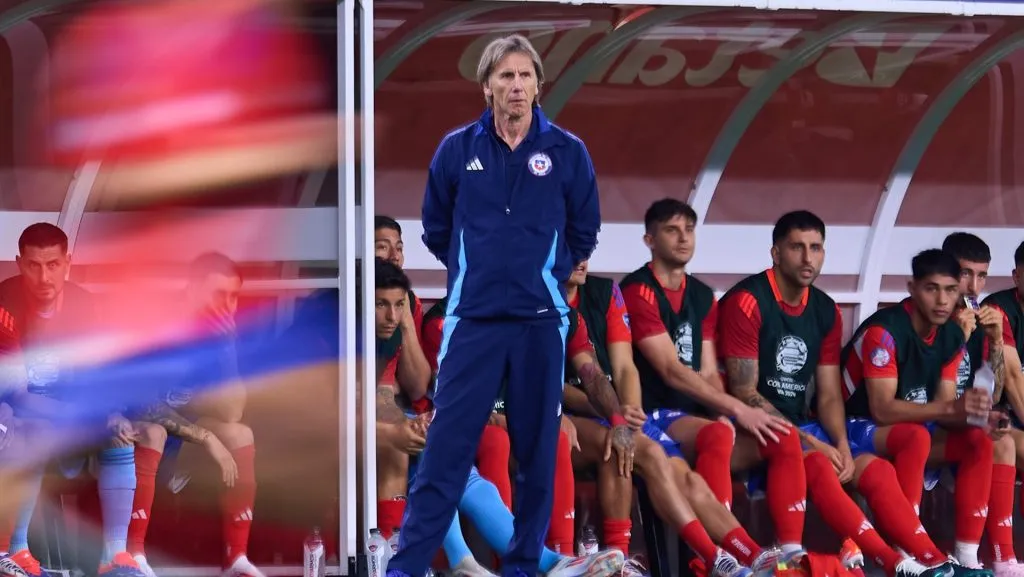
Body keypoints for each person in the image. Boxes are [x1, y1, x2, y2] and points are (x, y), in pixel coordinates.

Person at [389, 32, 602, 577]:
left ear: (539, 85)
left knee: (536, 454)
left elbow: (585, 228)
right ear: (486, 86)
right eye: (505, 76)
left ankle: (523, 567)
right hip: (473, 323)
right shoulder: (456, 149)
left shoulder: (568, 151)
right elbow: (436, 227)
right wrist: (477, 270)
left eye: (525, 75)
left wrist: (545, 274)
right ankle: (405, 568)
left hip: (540, 322)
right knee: (445, 452)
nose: (516, 86)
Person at [718, 211, 972, 577]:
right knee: (819, 462)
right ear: (776, 253)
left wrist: (839, 442)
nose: (808, 258)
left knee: (875, 470)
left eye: (816, 248)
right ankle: (892, 562)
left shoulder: (826, 309)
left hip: (803, 427)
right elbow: (744, 391)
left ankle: (932, 561)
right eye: (797, 247)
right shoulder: (750, 300)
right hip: (747, 429)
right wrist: (813, 443)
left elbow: (829, 395)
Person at [561, 259, 784, 577]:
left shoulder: (605, 292)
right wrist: (612, 413)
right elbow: (549, 383)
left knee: (687, 478)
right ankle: (709, 557)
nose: (581, 259)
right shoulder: (539, 298)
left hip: (615, 411)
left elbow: (625, 368)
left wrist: (629, 412)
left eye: (585, 249)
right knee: (645, 452)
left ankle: (750, 554)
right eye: (572, 249)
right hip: (577, 415)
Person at [396, 269, 623, 577]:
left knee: (552, 438)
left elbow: (568, 375)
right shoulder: (445, 319)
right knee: (481, 445)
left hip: (450, 428)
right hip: (455, 424)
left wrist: (613, 420)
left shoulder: (542, 311)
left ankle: (559, 558)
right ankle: (509, 564)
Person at [617, 199, 803, 554]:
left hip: (692, 418)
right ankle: (723, 554)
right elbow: (670, 370)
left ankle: (792, 551)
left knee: (783, 436)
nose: (683, 238)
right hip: (652, 413)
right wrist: (737, 409)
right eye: (672, 230)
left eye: (689, 230)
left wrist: (723, 412)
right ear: (649, 240)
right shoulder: (637, 290)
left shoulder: (702, 295)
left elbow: (706, 370)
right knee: (717, 433)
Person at [0, 223, 145, 577]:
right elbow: (16, 393)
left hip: (67, 410)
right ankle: (15, 552)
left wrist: (109, 412)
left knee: (119, 434)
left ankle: (115, 555)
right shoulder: (4, 303)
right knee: (30, 432)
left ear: (68, 263)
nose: (44, 277)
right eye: (33, 265)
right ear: (19, 263)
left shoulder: (86, 306)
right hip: (18, 409)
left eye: (52, 265)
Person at [842, 248, 995, 572]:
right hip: (853, 426)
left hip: (910, 427)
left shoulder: (951, 334)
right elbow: (882, 410)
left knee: (979, 439)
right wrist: (951, 408)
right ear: (912, 288)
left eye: (950, 290)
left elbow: (945, 405)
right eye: (932, 289)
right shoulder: (885, 331)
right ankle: (908, 547)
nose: (942, 300)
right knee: (914, 436)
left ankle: (967, 557)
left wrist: (979, 415)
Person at [124, 253, 262, 577]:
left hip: (183, 443)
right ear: (192, 291)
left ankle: (236, 559)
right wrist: (206, 437)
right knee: (156, 432)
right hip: (130, 433)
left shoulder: (220, 338)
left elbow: (233, 412)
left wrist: (228, 349)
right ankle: (133, 555)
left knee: (241, 433)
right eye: (218, 295)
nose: (227, 306)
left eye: (233, 297)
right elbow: (146, 405)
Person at [421, 299, 578, 555]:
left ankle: (564, 556)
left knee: (556, 439)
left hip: (511, 420)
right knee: (497, 440)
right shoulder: (442, 322)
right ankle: (503, 559)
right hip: (464, 424)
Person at [943, 233, 1024, 577]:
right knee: (997, 441)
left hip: (973, 417)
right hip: (929, 420)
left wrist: (994, 340)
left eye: (981, 276)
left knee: (1000, 438)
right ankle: (980, 555)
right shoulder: (933, 314)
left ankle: (1002, 558)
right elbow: (934, 390)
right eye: (965, 274)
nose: (974, 286)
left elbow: (992, 389)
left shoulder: (982, 319)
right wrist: (959, 338)